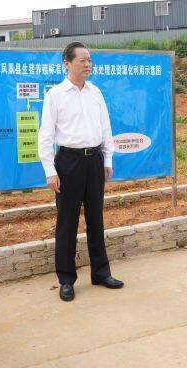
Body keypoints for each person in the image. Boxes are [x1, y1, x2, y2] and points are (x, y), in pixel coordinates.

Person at [38, 41, 123, 302]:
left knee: (96, 219)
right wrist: (50, 171)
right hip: (69, 162)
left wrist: (107, 159)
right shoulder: (55, 95)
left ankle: (101, 273)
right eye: (82, 60)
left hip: (94, 160)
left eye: (89, 60)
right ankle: (66, 279)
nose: (87, 64)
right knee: (67, 223)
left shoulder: (95, 92)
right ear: (67, 63)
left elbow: (105, 128)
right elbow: (45, 135)